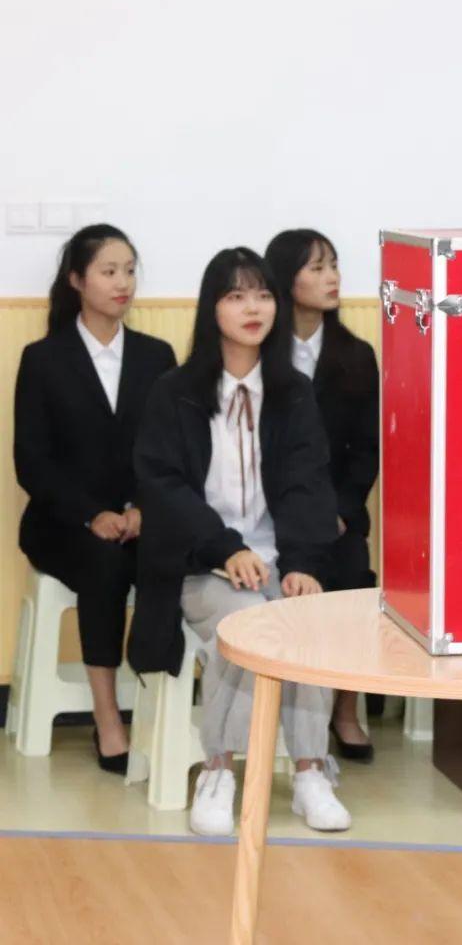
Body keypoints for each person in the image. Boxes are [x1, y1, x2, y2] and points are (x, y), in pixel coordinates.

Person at [127, 247, 351, 835]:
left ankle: (309, 772)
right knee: (249, 622)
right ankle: (220, 770)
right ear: (212, 308)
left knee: (306, 616)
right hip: (201, 565)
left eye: (263, 295)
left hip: (278, 561)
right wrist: (226, 548)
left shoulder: (293, 392)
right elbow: (163, 487)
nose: (253, 308)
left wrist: (302, 562)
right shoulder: (175, 391)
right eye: (236, 296)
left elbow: (309, 483)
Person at [14, 225, 175, 773]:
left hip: (140, 517)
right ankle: (108, 718)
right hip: (62, 523)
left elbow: (171, 451)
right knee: (104, 563)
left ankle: (163, 709)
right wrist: (91, 515)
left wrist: (143, 509)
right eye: (109, 271)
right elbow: (32, 462)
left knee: (172, 559)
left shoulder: (157, 356)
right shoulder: (44, 359)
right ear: (77, 280)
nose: (122, 282)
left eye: (129, 270)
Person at [265, 229, 380, 760]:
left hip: (338, 513)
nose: (332, 277)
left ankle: (345, 709)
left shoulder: (356, 355)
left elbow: (367, 448)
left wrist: (340, 509)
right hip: (275, 512)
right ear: (285, 280)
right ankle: (282, 710)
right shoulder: (259, 354)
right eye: (316, 268)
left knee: (354, 576)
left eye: (333, 265)